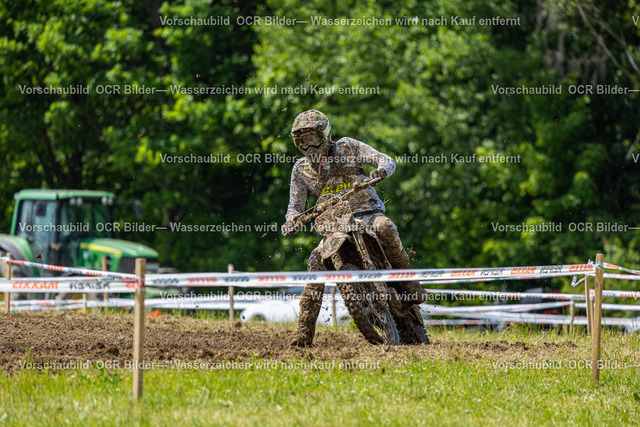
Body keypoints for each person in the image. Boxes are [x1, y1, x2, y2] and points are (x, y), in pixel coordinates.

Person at [281, 109, 427, 347]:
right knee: (315, 261)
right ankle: (303, 334)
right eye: (302, 141)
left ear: (324, 135)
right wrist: (291, 221)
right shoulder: (301, 169)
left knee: (386, 228)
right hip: (333, 224)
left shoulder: (348, 147)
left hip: (367, 213)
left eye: (312, 138)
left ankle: (410, 283)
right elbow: (294, 206)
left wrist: (382, 169)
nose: (308, 146)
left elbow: (384, 159)